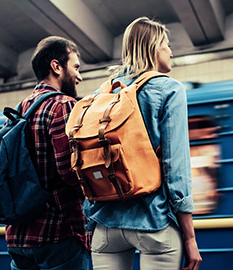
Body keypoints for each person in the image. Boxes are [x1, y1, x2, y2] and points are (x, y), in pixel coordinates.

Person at [82, 17, 202, 270]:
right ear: (154, 46)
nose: (171, 51)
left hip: (105, 225)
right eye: (167, 45)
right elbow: (176, 168)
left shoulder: (100, 95)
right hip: (153, 222)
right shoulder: (169, 89)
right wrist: (190, 238)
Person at [5, 36, 90, 270]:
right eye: (76, 67)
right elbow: (70, 173)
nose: (79, 76)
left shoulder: (20, 109)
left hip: (19, 237)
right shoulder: (63, 105)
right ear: (56, 66)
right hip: (57, 235)